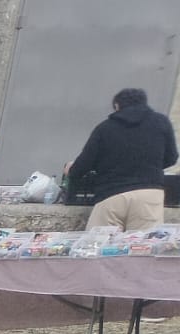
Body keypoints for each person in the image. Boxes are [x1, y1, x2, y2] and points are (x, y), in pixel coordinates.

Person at [66, 86, 178, 233]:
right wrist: (149, 165)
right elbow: (171, 157)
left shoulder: (105, 128)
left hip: (112, 195)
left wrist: (71, 170)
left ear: (117, 106)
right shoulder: (162, 122)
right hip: (148, 194)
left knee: (99, 248)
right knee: (143, 249)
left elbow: (85, 163)